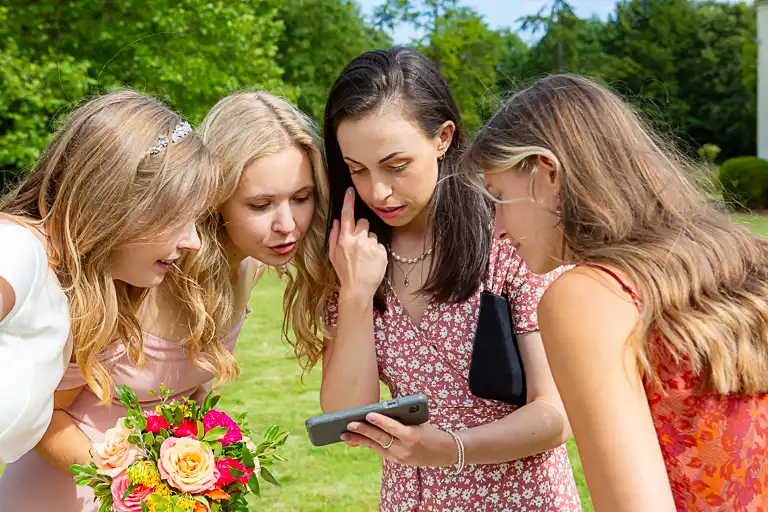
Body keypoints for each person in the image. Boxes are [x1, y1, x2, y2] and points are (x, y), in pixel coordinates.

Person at [466, 73, 768, 511]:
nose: (496, 228)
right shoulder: (748, 259)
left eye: (499, 196)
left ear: (548, 173)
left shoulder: (587, 297)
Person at [311, 47, 581, 511]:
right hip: (410, 498)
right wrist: (355, 294)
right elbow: (345, 416)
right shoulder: (355, 255)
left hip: (522, 497)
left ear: (442, 138)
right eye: (357, 170)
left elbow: (555, 414)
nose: (378, 191)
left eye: (396, 166)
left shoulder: (508, 239)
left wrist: (451, 447)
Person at [0, 90, 218, 511]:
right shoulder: (18, 251)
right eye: (179, 218)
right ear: (123, 204)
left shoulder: (67, 290)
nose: (193, 241)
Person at [194, 91, 330, 365]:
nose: (287, 224)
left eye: (301, 198)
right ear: (215, 196)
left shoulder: (250, 266)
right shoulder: (156, 271)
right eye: (261, 205)